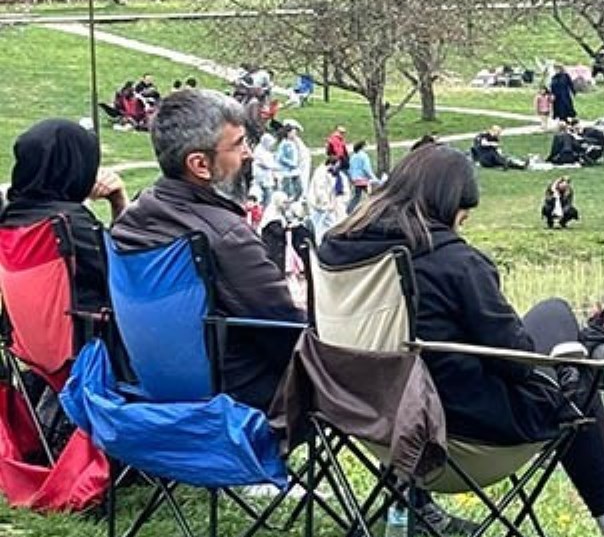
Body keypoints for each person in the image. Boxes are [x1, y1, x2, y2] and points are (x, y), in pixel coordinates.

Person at [319, 146, 604, 537]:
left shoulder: (335, 250)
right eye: (463, 212)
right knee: (574, 373)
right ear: (448, 206)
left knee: (557, 334)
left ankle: (401, 509)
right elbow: (516, 361)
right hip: (457, 435)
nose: (463, 220)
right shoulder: (454, 262)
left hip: (372, 424)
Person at [110, 89, 304, 412]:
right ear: (200, 164)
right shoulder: (225, 236)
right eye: (239, 143)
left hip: (150, 392)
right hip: (237, 404)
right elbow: (288, 333)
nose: (249, 154)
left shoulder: (131, 220)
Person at [0, 119, 127, 316]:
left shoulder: (10, 219)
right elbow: (126, 274)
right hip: (89, 343)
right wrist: (119, 201)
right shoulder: (70, 226)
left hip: (30, 343)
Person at [347, 140, 377, 213]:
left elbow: (349, 169)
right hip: (363, 180)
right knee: (373, 194)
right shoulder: (364, 156)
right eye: (365, 146)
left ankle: (349, 210)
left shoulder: (353, 156)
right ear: (362, 147)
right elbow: (366, 168)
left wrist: (351, 178)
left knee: (357, 196)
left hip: (355, 180)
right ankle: (372, 210)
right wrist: (374, 178)